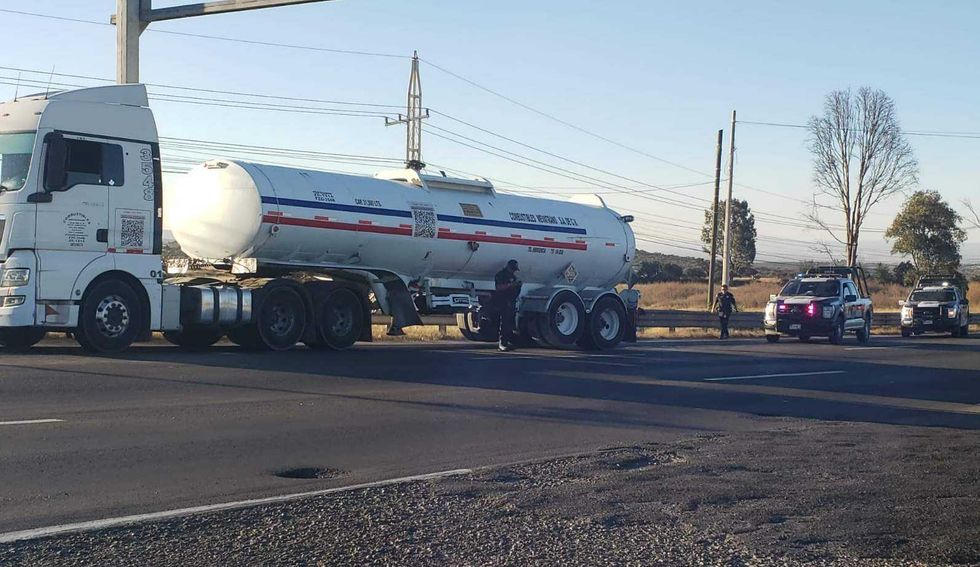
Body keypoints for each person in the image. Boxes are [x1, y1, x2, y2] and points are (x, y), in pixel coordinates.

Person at [491, 259, 522, 351]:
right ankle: (502, 343)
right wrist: (510, 285)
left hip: (511, 301)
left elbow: (516, 291)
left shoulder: (513, 277)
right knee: (503, 322)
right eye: (512, 269)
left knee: (509, 323)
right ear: (508, 267)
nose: (513, 271)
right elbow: (498, 287)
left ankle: (509, 341)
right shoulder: (501, 275)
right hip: (502, 301)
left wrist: (518, 285)